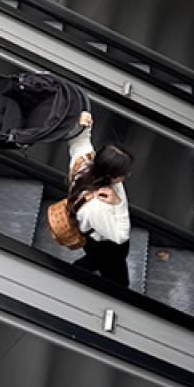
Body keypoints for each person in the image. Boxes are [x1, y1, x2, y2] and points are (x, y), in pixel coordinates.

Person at [68, 110, 134, 287]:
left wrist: (83, 123)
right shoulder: (98, 207)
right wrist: (118, 205)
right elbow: (120, 236)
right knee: (117, 279)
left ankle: (78, 270)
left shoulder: (83, 162)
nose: (128, 175)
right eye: (124, 174)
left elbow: (79, 142)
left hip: (93, 237)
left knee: (93, 260)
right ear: (111, 176)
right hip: (104, 246)